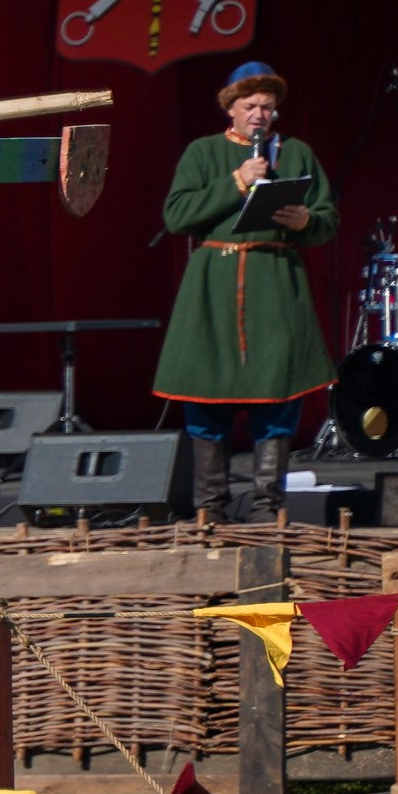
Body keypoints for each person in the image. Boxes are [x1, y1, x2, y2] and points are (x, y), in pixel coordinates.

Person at [154, 60, 338, 522]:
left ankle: (267, 506)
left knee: (277, 391)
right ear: (231, 109)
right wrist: (237, 182)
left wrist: (306, 220)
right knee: (204, 390)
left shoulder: (297, 153)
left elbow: (327, 219)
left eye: (267, 107)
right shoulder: (203, 151)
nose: (259, 114)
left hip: (275, 282)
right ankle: (209, 508)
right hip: (212, 286)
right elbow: (177, 215)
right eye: (250, 105)